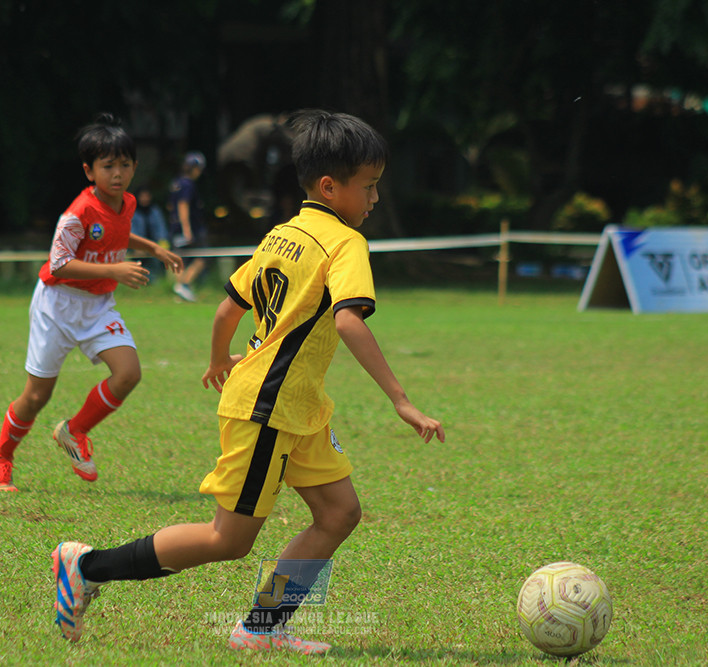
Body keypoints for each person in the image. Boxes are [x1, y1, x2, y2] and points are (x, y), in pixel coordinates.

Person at [51, 110, 445, 654]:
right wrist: (401, 400)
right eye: (370, 186)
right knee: (227, 540)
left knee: (338, 513)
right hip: (268, 405)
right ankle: (87, 566)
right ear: (330, 187)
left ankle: (262, 628)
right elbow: (349, 319)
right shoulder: (345, 243)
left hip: (298, 404)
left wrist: (219, 361)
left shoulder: (282, 235)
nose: (375, 199)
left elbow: (226, 310)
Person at [0, 113, 184, 492]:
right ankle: (1, 456)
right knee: (37, 395)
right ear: (89, 171)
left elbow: (119, 233)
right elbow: (59, 263)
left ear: (135, 167)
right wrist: (116, 270)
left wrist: (154, 248)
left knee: (128, 374)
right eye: (108, 166)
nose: (118, 174)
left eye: (125, 165)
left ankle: (74, 431)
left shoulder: (125, 203)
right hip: (56, 306)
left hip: (97, 306)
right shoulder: (77, 213)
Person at [168, 150, 208, 302]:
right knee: (202, 257)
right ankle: (184, 285)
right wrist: (187, 229)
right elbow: (182, 205)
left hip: (174, 227)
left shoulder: (176, 183)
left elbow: (171, 206)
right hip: (189, 228)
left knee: (181, 259)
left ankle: (181, 291)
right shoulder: (188, 185)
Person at [130, 185, 170, 281]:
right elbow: (131, 232)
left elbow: (161, 229)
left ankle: (158, 282)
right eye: (142, 196)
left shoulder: (155, 211)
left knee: (159, 259)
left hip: (153, 245)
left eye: (147, 196)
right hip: (136, 247)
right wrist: (138, 246)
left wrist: (162, 244)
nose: (145, 199)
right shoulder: (132, 212)